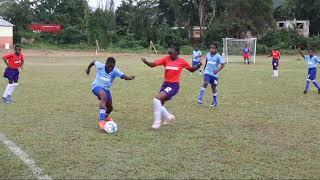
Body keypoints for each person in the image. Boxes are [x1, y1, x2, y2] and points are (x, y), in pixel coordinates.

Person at [142, 44, 201, 129]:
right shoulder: (166, 59)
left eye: (171, 53)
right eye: (169, 53)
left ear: (177, 53)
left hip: (174, 86)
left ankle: (157, 122)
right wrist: (146, 61)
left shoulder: (182, 61)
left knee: (156, 100)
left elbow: (191, 69)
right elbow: (153, 65)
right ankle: (169, 117)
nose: (170, 55)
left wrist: (198, 66)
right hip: (165, 84)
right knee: (159, 104)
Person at [86, 57, 135, 130]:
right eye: (109, 66)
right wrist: (88, 69)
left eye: (112, 66)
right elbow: (93, 62)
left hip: (106, 89)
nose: (110, 68)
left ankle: (105, 116)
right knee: (103, 96)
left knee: (110, 108)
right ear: (105, 64)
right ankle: (101, 121)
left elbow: (123, 76)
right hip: (96, 86)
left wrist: (129, 78)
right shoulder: (101, 66)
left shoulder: (115, 70)